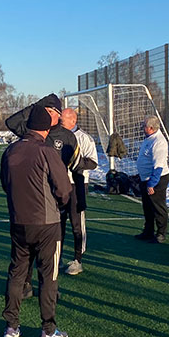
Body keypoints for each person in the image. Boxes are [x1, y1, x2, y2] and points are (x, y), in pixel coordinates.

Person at [0, 103, 73, 337]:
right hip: (46, 223)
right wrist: (59, 204)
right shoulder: (46, 151)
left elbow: (5, 183)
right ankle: (48, 329)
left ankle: (11, 326)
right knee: (48, 276)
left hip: (18, 221)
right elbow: (64, 189)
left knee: (17, 273)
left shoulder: (10, 150)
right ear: (45, 128)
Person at [6, 94, 79, 294]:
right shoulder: (31, 129)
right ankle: (26, 283)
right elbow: (11, 122)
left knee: (52, 250)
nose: (46, 114)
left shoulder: (67, 136)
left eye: (50, 111)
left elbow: (74, 165)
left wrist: (68, 196)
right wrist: (35, 107)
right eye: (44, 111)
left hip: (54, 201)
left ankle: (49, 288)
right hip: (30, 201)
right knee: (25, 251)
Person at [59, 107, 98, 275]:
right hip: (59, 185)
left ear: (73, 120)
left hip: (77, 185)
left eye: (62, 120)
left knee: (77, 224)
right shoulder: (57, 136)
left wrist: (74, 163)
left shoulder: (84, 138)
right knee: (57, 223)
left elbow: (93, 162)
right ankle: (57, 257)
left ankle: (77, 260)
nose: (60, 123)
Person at [135, 116, 169, 244]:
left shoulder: (159, 142)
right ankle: (148, 231)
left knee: (158, 207)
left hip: (157, 179)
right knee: (147, 206)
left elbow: (158, 165)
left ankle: (161, 233)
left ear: (151, 128)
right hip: (146, 178)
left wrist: (152, 183)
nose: (142, 128)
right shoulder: (149, 139)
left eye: (144, 126)